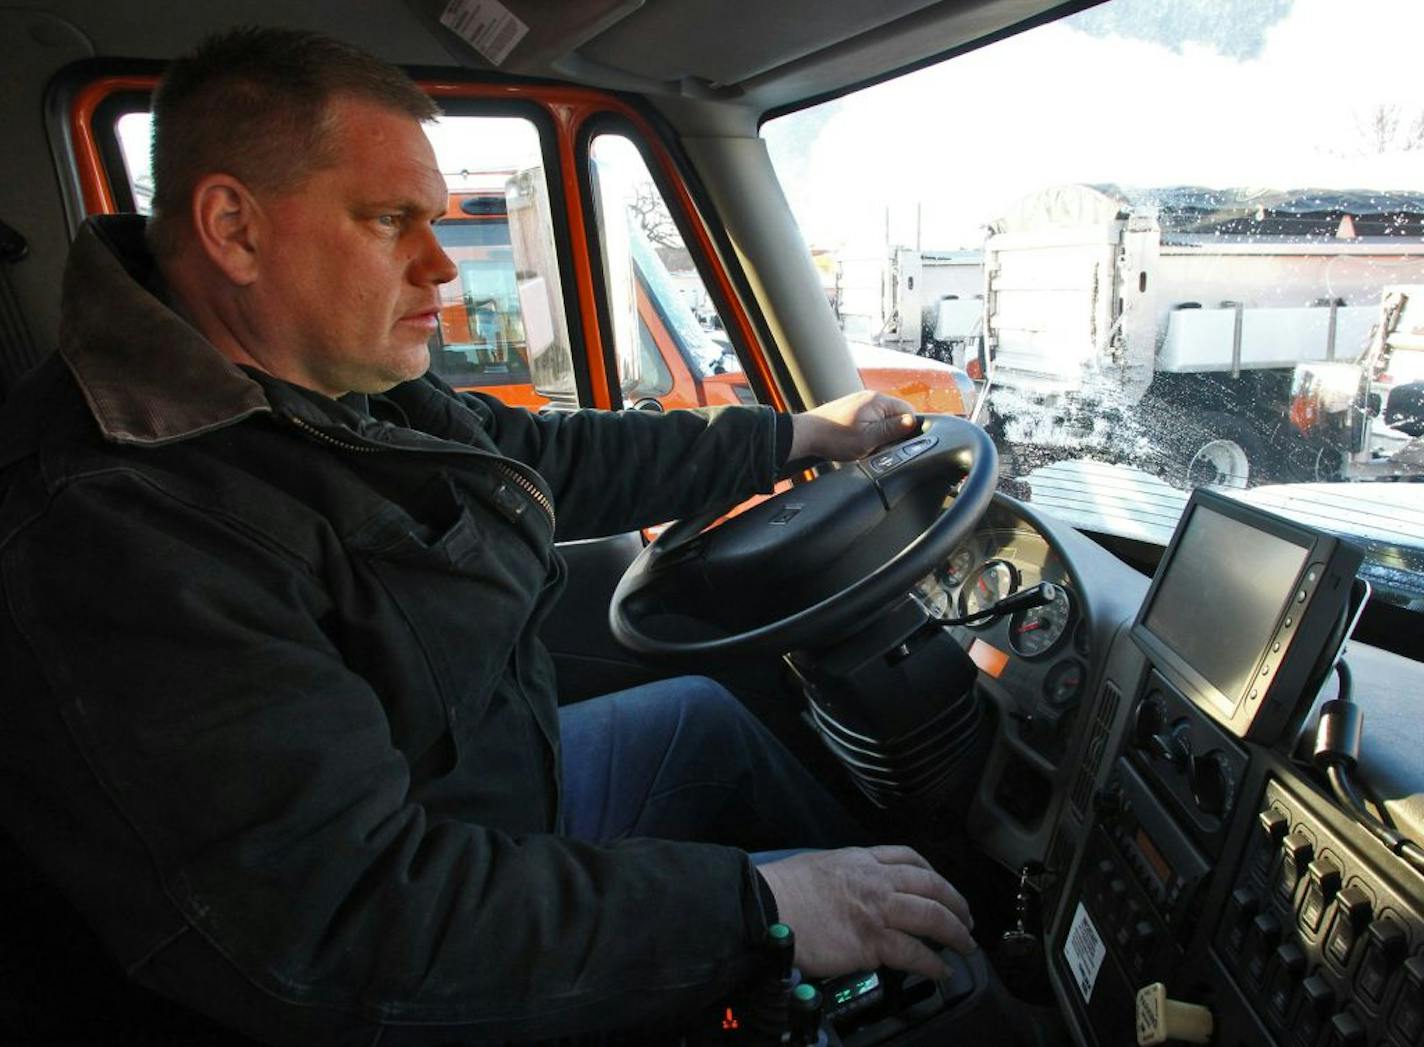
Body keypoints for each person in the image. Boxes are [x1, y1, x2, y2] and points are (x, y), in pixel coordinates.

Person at [0, 27, 974, 1045]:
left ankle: (918, 950)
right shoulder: (111, 526)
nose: (441, 269)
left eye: (439, 221)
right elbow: (337, 926)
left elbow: (538, 458)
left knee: (700, 717)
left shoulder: (335, 389)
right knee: (809, 906)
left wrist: (794, 436)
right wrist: (759, 912)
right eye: (392, 222)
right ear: (233, 230)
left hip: (493, 806)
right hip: (399, 926)